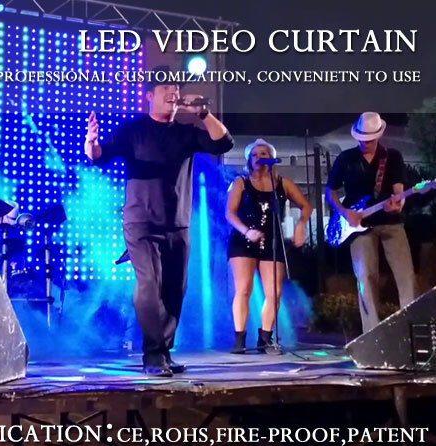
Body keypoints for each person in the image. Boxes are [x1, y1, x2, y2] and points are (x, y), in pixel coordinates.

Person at [85, 66, 234, 376]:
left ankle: (163, 352)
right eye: (165, 87)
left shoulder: (185, 133)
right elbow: (100, 156)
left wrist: (203, 113)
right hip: (140, 222)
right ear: (150, 96)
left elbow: (223, 143)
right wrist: (92, 142)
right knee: (150, 284)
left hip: (177, 223)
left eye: (175, 87)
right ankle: (153, 355)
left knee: (174, 290)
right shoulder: (133, 130)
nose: (173, 91)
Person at [326, 112, 416, 333]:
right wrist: (344, 212)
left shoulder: (392, 157)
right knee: (365, 278)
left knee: (406, 276)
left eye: (369, 140)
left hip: (391, 222)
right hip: (358, 227)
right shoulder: (346, 158)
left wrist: (398, 204)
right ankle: (372, 333)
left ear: (378, 136)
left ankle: (411, 329)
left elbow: (398, 190)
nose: (364, 143)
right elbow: (331, 192)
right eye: (361, 139)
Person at [225, 139, 311, 354]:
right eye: (254, 155)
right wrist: (247, 231)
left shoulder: (282, 183)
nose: (259, 158)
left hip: (272, 241)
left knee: (274, 292)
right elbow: (230, 213)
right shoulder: (241, 182)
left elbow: (305, 206)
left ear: (271, 158)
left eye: (263, 154)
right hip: (243, 240)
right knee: (244, 289)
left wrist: (300, 225)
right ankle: (239, 339)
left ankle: (265, 338)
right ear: (248, 159)